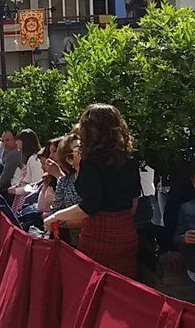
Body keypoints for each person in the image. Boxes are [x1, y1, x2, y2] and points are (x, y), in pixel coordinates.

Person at [45, 104, 142, 278]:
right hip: (127, 234)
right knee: (123, 293)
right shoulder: (129, 157)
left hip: (98, 235)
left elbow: (90, 205)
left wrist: (56, 216)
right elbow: (134, 203)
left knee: (91, 289)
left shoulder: (91, 161)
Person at [8, 129, 43, 215]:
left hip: (27, 199)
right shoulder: (29, 159)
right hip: (22, 197)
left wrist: (17, 190)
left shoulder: (34, 160)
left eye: (19, 140)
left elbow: (36, 185)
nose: (16, 143)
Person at [0, 131, 23, 196]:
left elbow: (6, 175)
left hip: (15, 191)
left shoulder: (14, 154)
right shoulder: (5, 152)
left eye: (7, 140)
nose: (5, 143)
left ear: (15, 140)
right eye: (3, 141)